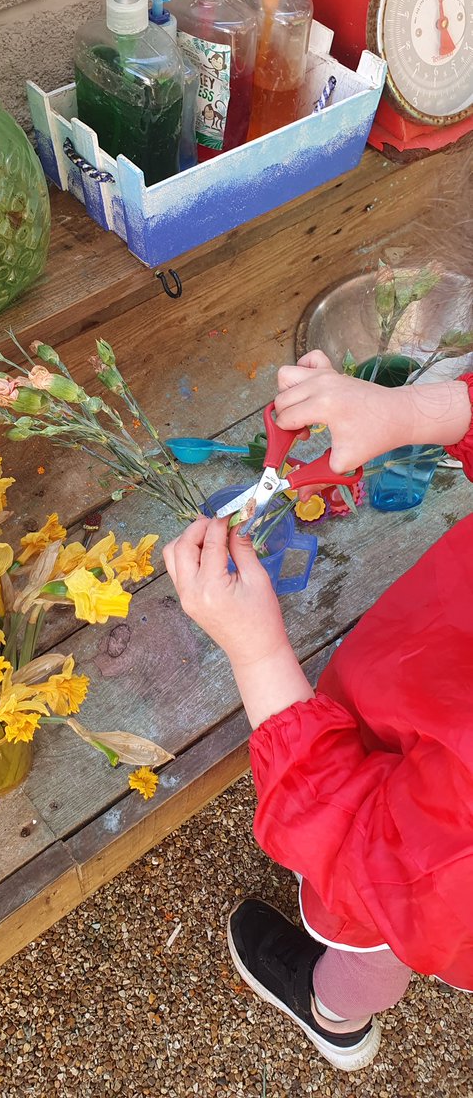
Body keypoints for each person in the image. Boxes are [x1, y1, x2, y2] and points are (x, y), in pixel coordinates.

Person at [163, 351, 473, 1072]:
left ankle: (335, 1015)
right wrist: (420, 411)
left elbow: (366, 855)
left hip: (416, 877)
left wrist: (259, 654)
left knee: (373, 933)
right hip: (422, 675)